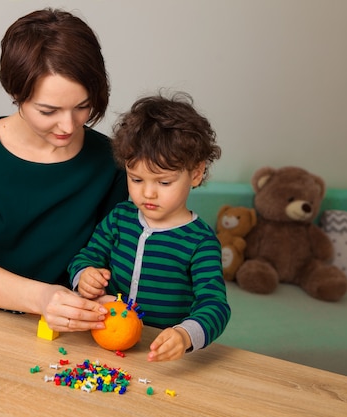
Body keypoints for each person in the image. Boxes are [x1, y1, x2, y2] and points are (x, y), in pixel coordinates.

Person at [0, 8, 128, 332]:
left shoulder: (113, 161)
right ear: (16, 94)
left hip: (73, 330)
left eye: (82, 106)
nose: (68, 125)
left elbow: (113, 258)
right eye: (48, 110)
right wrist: (43, 299)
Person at [68, 92, 230, 362]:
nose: (148, 194)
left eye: (163, 183)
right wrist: (84, 275)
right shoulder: (120, 217)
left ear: (196, 173)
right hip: (104, 339)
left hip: (159, 353)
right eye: (136, 179)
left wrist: (184, 335)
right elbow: (87, 256)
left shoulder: (200, 242)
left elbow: (214, 305)